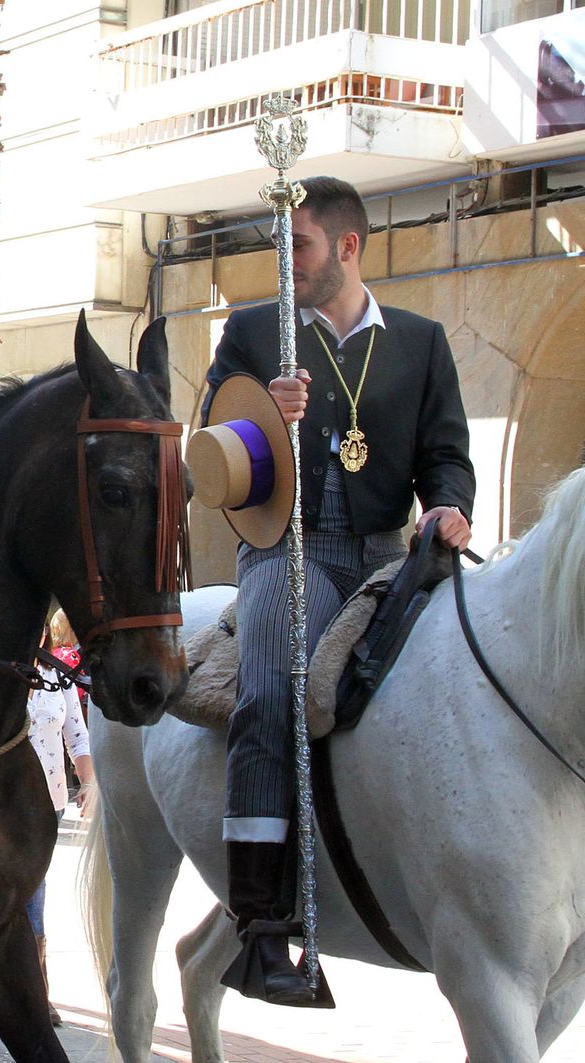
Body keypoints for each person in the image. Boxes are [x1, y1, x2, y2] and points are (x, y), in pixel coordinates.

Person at [203, 176, 474, 1006]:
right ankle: (258, 921)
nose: (287, 264)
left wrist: (453, 505)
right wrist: (258, 418)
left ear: (347, 247)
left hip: (390, 551)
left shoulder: (422, 342)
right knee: (275, 683)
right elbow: (209, 437)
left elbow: (446, 451)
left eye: (302, 246)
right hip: (290, 550)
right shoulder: (254, 331)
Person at [23, 609, 93, 1027]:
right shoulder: (6, 672)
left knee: (35, 888)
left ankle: (38, 988)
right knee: (25, 889)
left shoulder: (57, 676)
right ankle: (31, 991)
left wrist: (89, 783)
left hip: (49, 802)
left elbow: (77, 734)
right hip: (4, 801)